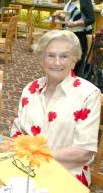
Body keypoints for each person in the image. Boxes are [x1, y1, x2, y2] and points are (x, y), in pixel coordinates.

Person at [10, 30, 100, 186]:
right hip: (26, 167)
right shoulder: (30, 89)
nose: (57, 62)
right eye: (50, 55)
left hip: (66, 174)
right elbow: (17, 133)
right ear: (42, 59)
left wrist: (40, 155)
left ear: (74, 60)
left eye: (64, 56)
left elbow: (84, 151)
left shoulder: (89, 94)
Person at [57, 0, 95, 76]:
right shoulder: (71, 0)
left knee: (76, 63)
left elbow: (91, 19)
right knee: (68, 62)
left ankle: (74, 86)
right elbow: (70, 18)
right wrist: (62, 18)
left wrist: (75, 23)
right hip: (70, 36)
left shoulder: (85, 0)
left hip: (80, 37)